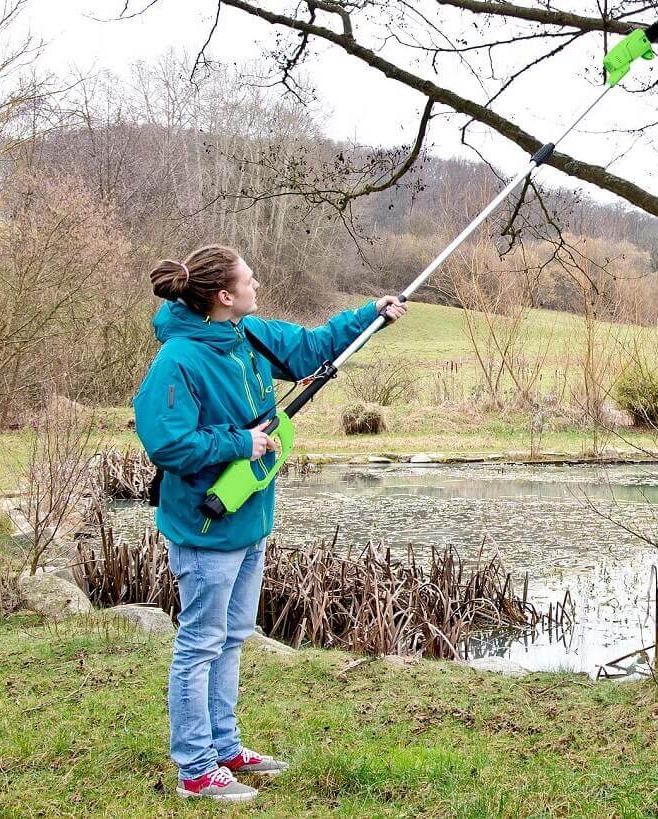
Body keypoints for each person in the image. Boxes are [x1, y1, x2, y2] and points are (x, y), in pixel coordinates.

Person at [133, 245, 406, 801]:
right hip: (206, 528)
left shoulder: (248, 334)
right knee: (201, 643)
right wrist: (243, 441)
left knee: (232, 637)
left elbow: (310, 348)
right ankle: (194, 768)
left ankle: (225, 748)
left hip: (251, 520)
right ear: (223, 296)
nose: (258, 284)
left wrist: (370, 315)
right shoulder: (179, 359)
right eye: (248, 279)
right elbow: (166, 441)